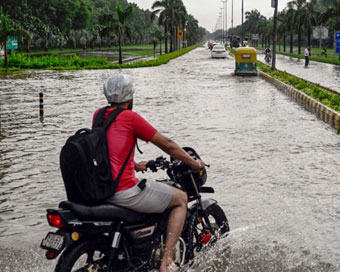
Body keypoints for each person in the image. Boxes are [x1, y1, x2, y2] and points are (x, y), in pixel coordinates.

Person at [93, 73, 205, 272]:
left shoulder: (99, 115)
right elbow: (168, 145)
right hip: (124, 191)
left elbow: (107, 150)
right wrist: (194, 163)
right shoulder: (130, 117)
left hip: (103, 188)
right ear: (130, 97)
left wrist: (134, 165)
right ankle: (167, 261)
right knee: (180, 198)